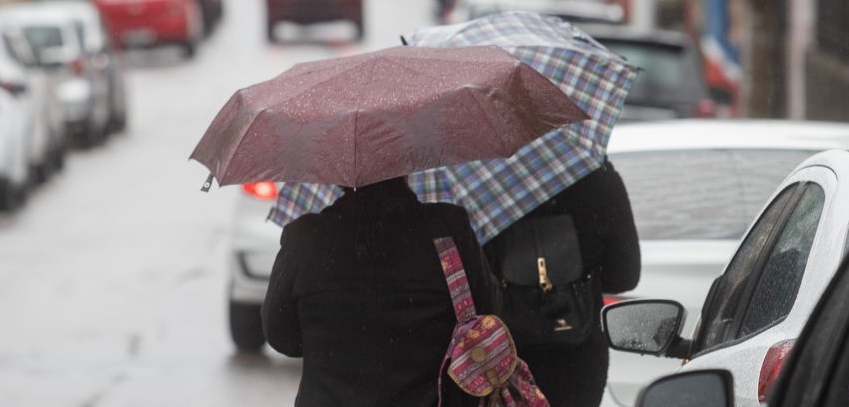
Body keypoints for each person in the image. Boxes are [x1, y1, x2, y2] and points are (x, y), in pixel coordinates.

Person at [262, 176, 504, 407]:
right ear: (406, 166)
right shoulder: (446, 228)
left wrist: (329, 346)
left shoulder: (306, 239)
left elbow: (281, 336)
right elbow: (487, 313)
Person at [482, 160, 641, 407]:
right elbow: (624, 276)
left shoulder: (484, 188)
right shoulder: (596, 177)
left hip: (508, 357)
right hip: (578, 355)